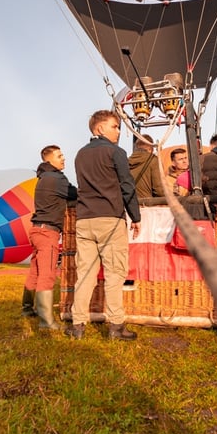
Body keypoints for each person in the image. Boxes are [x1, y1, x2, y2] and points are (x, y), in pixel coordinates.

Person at [67, 109, 141, 340]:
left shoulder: (79, 155)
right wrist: (136, 217)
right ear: (99, 128)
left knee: (85, 275)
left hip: (85, 220)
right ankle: (116, 326)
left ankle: (78, 325)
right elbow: (127, 186)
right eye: (115, 126)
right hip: (110, 219)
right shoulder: (115, 152)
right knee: (114, 274)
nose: (118, 131)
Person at [23, 145, 78, 329]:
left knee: (35, 271)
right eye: (59, 156)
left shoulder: (42, 177)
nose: (64, 158)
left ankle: (27, 308)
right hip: (48, 233)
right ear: (49, 160)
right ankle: (46, 321)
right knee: (47, 274)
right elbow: (75, 194)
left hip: (36, 230)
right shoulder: (57, 178)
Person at [128, 134, 165, 200]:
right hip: (147, 204)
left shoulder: (126, 162)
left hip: (128, 204)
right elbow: (159, 191)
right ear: (151, 148)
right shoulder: (153, 160)